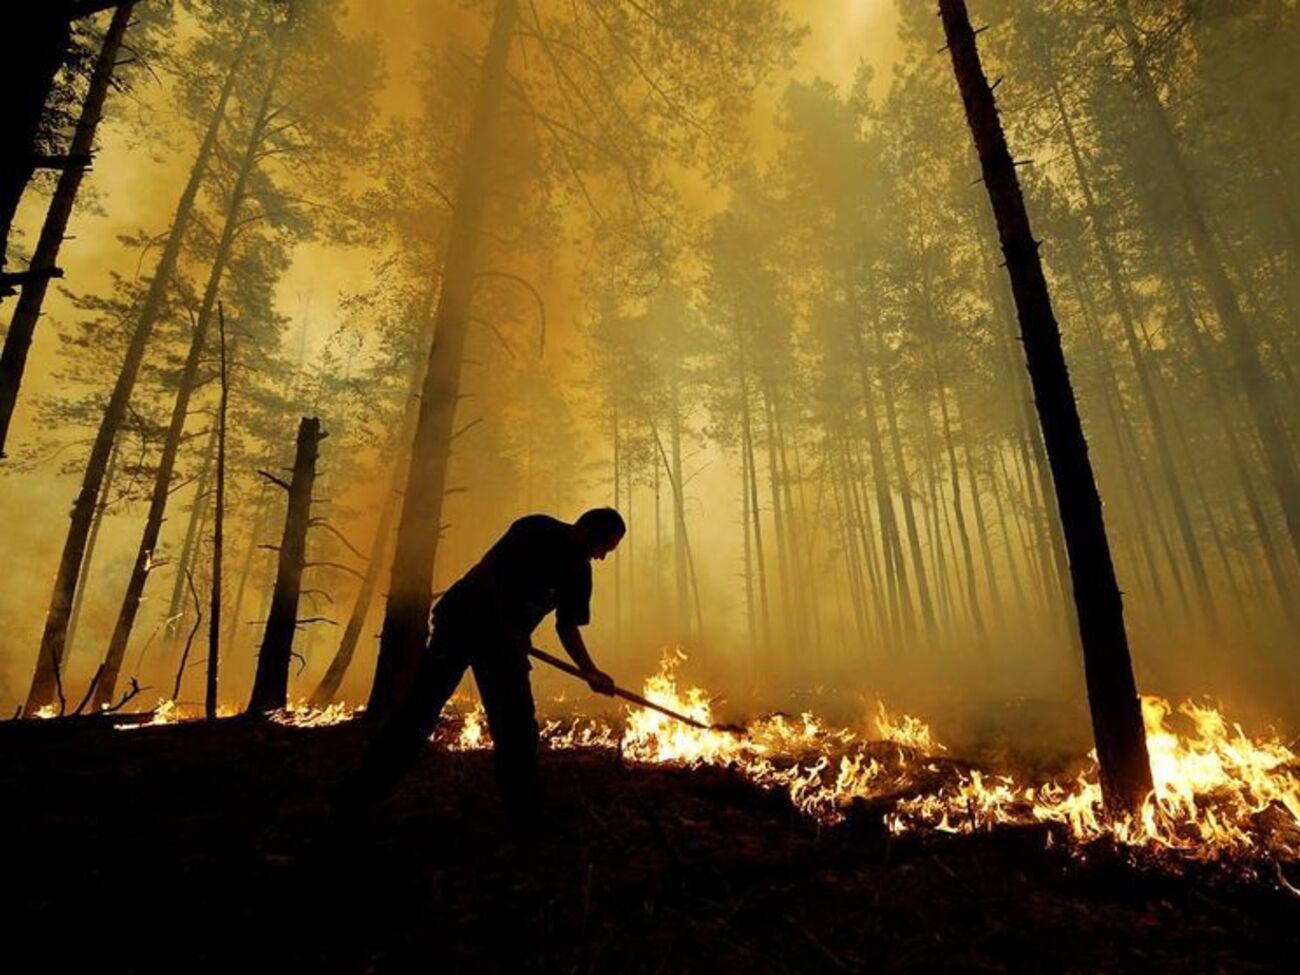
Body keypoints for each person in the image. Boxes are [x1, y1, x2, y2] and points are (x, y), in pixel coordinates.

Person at [336, 508, 624, 831]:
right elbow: (490, 573)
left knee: (517, 726)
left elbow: (567, 627)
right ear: (586, 529)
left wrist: (590, 671)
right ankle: (361, 794)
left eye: (607, 552)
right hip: (461, 625)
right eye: (603, 547)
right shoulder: (536, 530)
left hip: (504, 647)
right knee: (419, 712)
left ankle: (524, 814)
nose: (601, 557)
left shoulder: (580, 574)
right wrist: (506, 627)